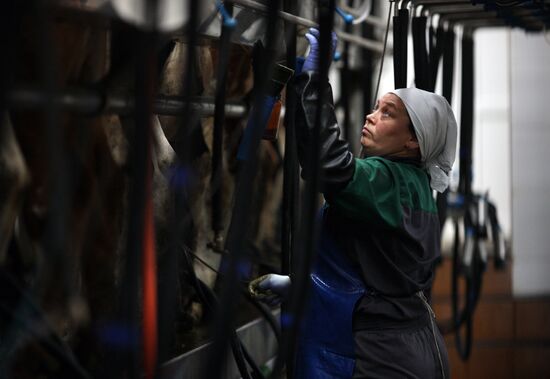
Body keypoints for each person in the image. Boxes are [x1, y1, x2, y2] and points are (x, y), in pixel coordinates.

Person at [249, 28, 457, 379]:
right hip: (402, 343)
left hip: (384, 356)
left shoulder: (392, 182)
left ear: (412, 143)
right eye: (376, 108)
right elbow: (373, 263)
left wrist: (315, 79)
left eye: (387, 113)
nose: (371, 117)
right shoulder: (406, 184)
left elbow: (328, 165)